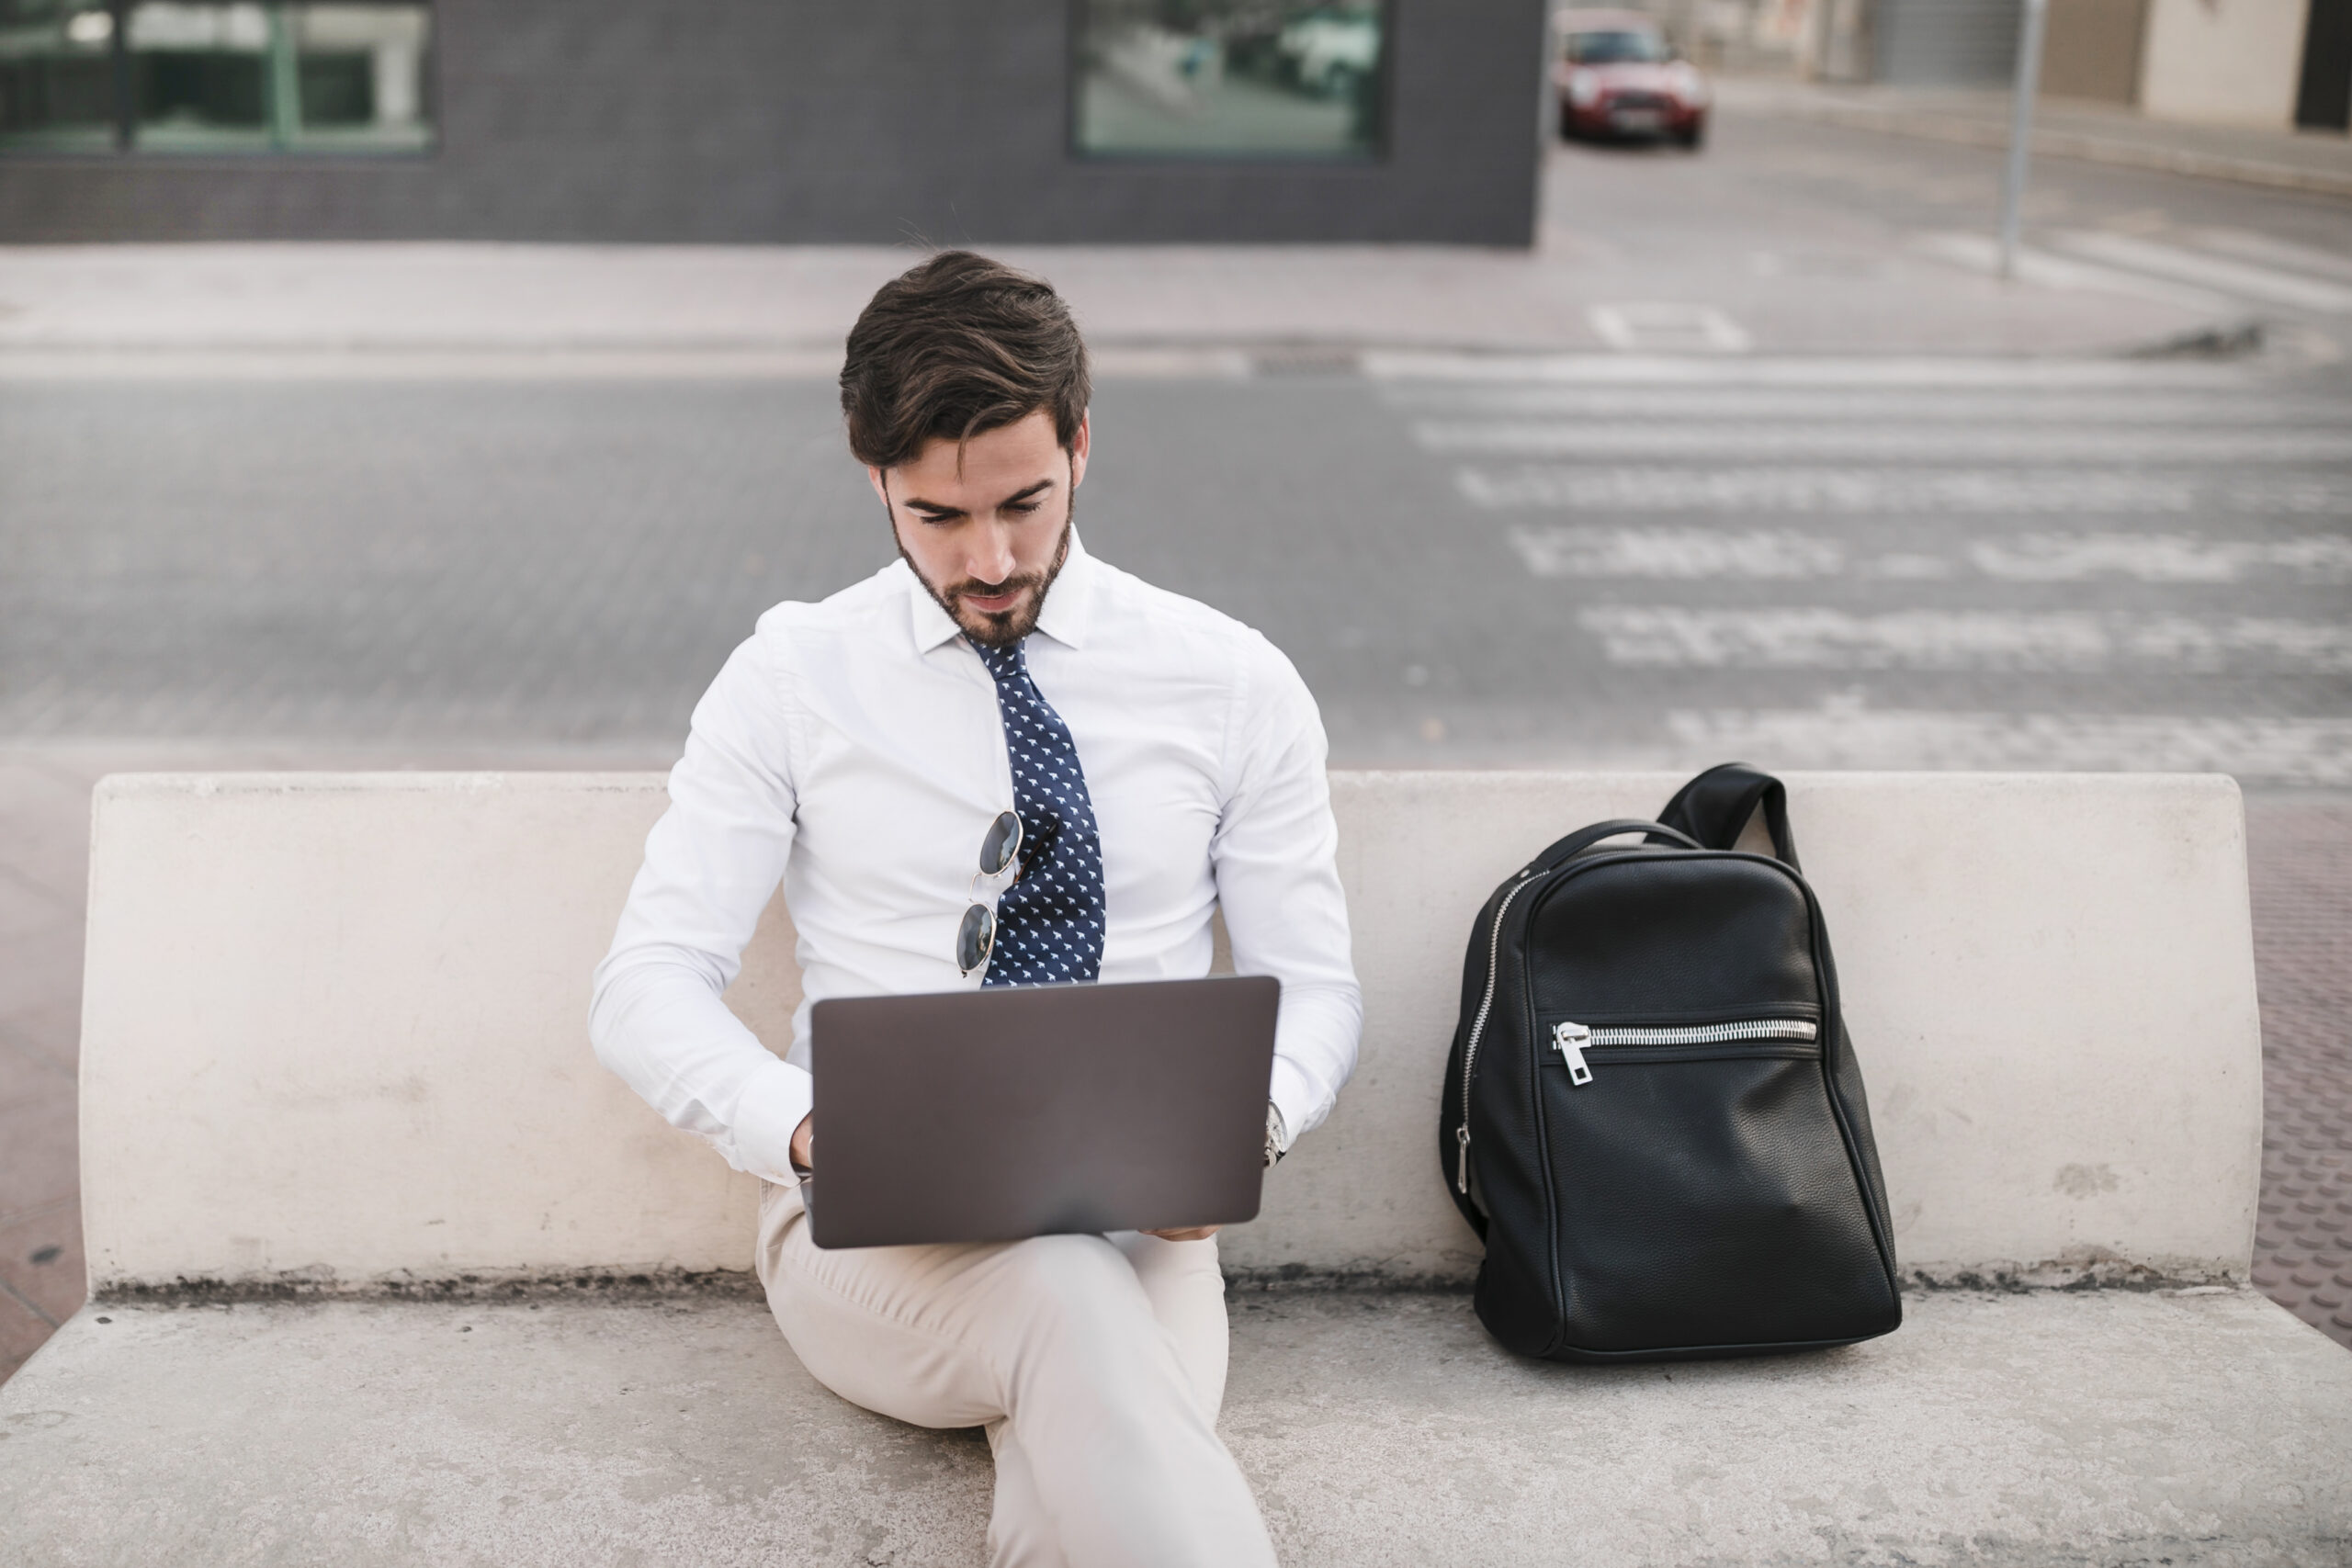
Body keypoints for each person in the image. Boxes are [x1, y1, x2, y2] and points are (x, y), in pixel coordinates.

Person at [589, 249, 1362, 1567]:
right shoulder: (793, 675)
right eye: (938, 518)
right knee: (1086, 1342)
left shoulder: (1232, 682)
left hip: (1146, 1234)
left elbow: (1319, 985)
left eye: (1025, 503)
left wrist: (1246, 1131)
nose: (991, 560)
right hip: (868, 1232)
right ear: (872, 473)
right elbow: (644, 984)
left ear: (1080, 443)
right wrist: (816, 1129)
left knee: (1093, 1446)